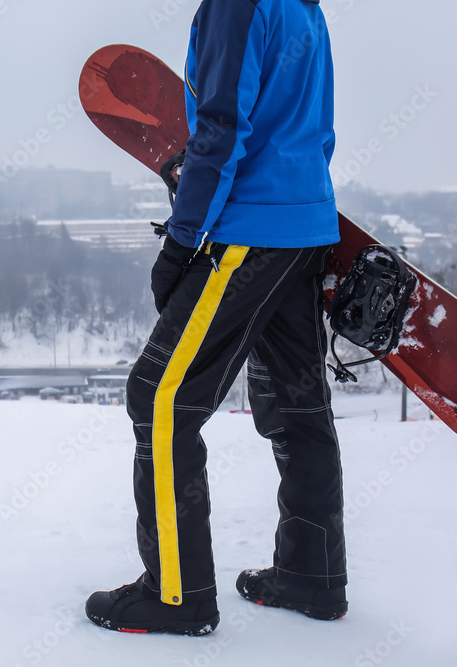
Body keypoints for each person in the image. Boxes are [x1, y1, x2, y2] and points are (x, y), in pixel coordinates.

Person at [85, 0, 347, 635]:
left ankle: (176, 595)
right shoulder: (304, 8)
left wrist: (181, 241)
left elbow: (221, 128)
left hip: (248, 233)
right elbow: (321, 130)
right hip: (306, 225)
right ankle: (311, 578)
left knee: (159, 398)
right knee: (296, 401)